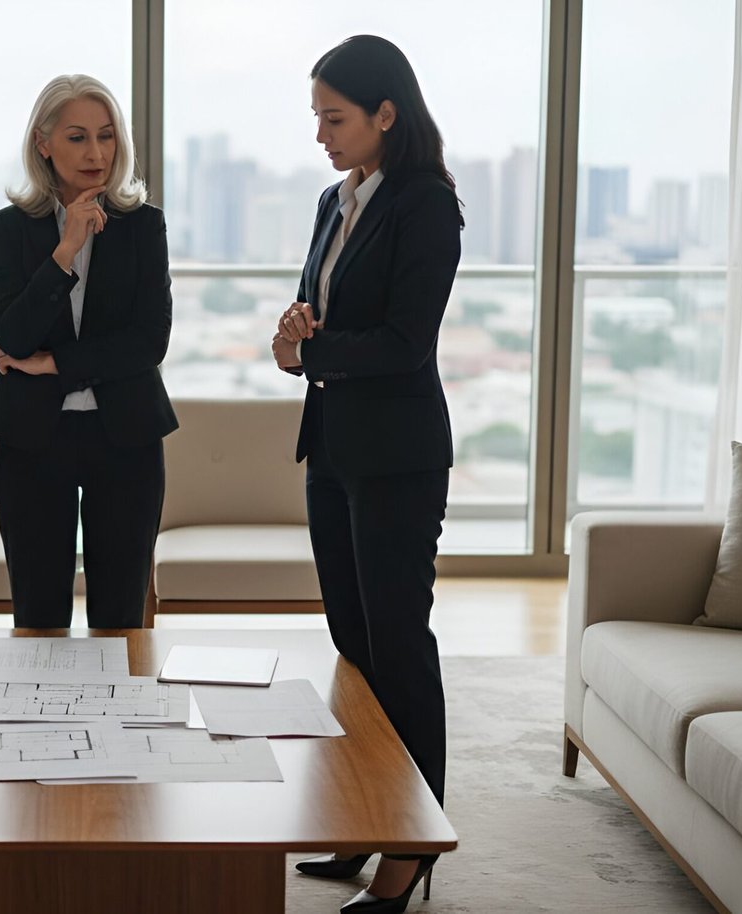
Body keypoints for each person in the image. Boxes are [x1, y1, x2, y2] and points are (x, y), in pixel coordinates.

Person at [272, 35, 463, 914]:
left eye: (335, 117)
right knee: (353, 652)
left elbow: (403, 343)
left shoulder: (427, 205)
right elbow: (323, 323)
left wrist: (314, 352)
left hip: (397, 461)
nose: (321, 134)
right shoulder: (333, 199)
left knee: (399, 648)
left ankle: (410, 848)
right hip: (334, 453)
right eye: (316, 117)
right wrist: (292, 341)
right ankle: (364, 813)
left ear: (387, 114)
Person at [0, 74, 177, 629]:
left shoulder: (144, 228)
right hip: (32, 441)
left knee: (120, 621)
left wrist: (56, 364)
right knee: (38, 619)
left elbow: (149, 341)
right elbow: (12, 335)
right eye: (77, 137)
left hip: (128, 440)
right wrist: (65, 251)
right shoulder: (9, 229)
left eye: (107, 136)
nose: (96, 153)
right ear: (43, 143)